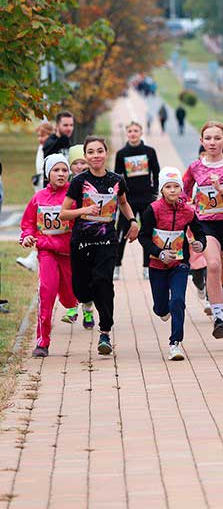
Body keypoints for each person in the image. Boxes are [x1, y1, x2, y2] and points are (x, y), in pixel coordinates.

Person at [59, 136, 139, 356]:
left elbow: (122, 202)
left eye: (99, 151)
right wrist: (84, 211)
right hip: (81, 242)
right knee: (82, 289)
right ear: (85, 156)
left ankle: (105, 332)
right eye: (91, 152)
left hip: (107, 240)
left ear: (106, 153)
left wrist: (132, 221)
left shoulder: (117, 179)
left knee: (103, 283)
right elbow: (64, 212)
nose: (95, 156)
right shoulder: (78, 182)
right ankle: (86, 302)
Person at [182, 121, 223, 340]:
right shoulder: (195, 167)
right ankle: (219, 318)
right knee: (214, 265)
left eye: (217, 138)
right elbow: (183, 192)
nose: (212, 142)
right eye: (208, 138)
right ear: (201, 141)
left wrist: (222, 190)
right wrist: (188, 205)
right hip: (206, 224)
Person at [138, 167, 207, 361]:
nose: (172, 190)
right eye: (168, 187)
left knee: (178, 301)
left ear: (181, 189)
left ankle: (175, 343)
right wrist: (159, 253)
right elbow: (143, 237)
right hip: (157, 264)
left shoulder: (188, 211)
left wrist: (200, 243)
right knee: (161, 307)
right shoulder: (153, 209)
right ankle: (162, 309)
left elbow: (199, 232)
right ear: (161, 190)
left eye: (176, 186)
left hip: (180, 264)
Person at [19, 155, 80, 357]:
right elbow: (28, 224)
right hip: (47, 251)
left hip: (69, 254)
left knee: (70, 298)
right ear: (48, 174)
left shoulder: (74, 196)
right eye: (56, 170)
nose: (61, 174)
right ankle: (42, 342)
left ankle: (73, 304)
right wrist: (27, 237)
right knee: (46, 292)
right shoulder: (39, 198)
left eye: (64, 170)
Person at [113, 122, 160, 280]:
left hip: (147, 198)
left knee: (148, 232)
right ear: (127, 133)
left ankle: (147, 267)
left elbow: (156, 172)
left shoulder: (150, 152)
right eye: (130, 131)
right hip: (129, 199)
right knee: (122, 232)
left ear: (141, 133)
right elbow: (117, 177)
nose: (133, 133)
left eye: (136, 131)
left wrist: (154, 192)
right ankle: (116, 266)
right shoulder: (121, 154)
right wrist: (120, 198)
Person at [17, 122, 55, 273]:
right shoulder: (42, 148)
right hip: (41, 193)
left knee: (46, 229)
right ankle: (34, 259)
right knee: (44, 228)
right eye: (39, 135)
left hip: (48, 197)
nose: (40, 138)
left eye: (43, 135)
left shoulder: (50, 149)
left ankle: (34, 259)